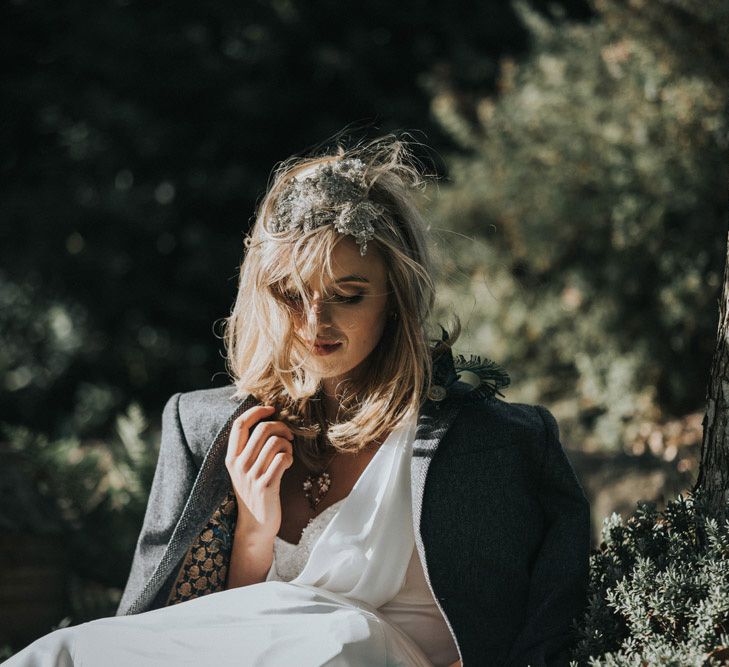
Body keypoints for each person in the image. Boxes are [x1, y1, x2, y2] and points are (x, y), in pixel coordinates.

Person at [4, 134, 591, 667]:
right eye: (291, 293)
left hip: (369, 656)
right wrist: (255, 534)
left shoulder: (494, 442)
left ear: (396, 298)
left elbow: (549, 621)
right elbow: (174, 629)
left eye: (349, 294)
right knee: (60, 654)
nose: (316, 322)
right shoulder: (204, 427)